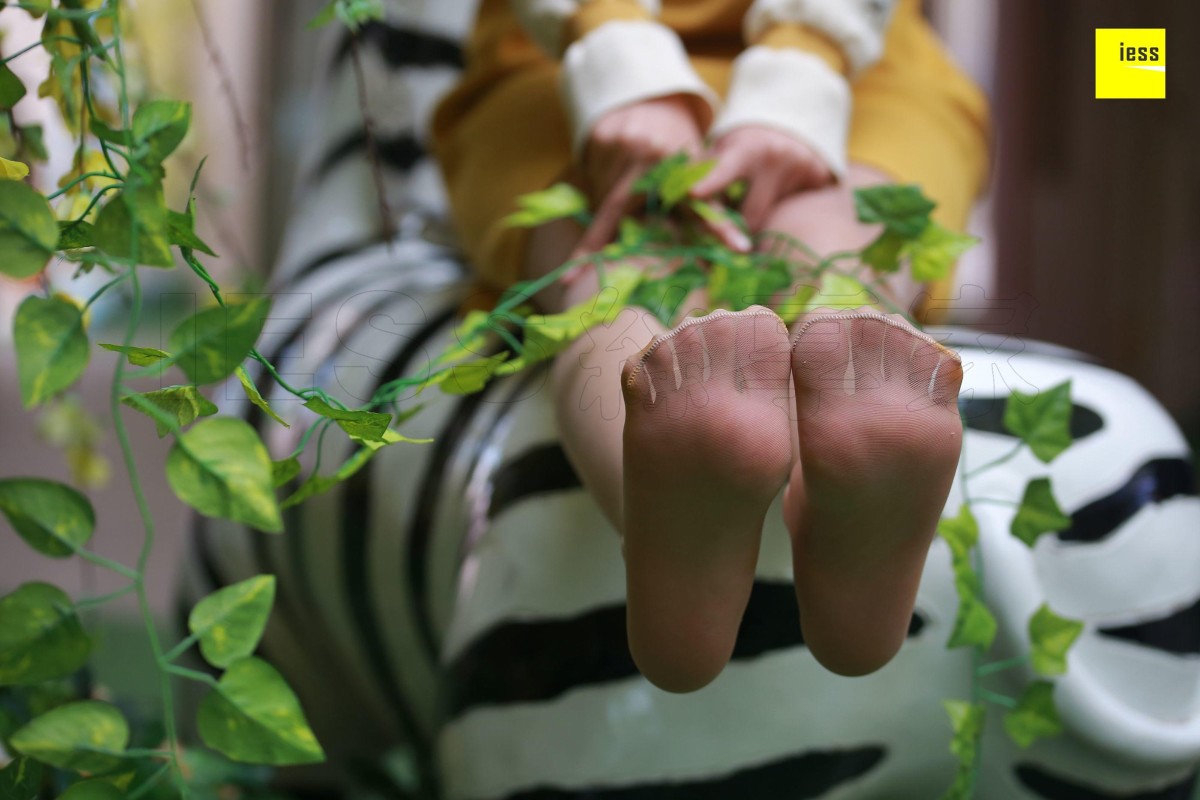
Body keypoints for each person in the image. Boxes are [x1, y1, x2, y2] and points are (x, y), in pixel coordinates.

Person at [431, 0, 990, 692]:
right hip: (587, 60)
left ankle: (664, 510)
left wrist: (797, 72)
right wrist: (623, 63)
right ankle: (845, 394)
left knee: (613, 281)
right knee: (840, 242)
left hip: (836, 53)